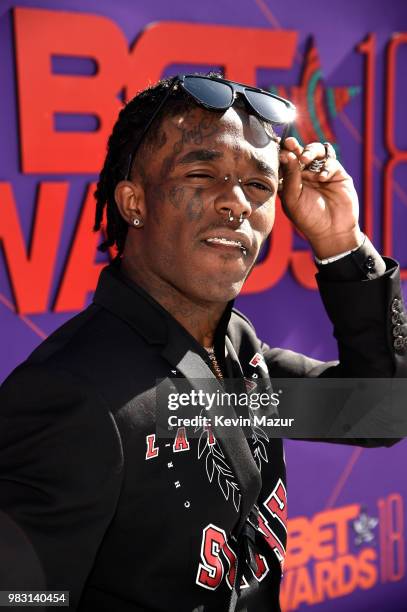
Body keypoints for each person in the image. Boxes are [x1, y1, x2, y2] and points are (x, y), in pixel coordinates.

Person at [0, 73, 406, 612]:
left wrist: (340, 242)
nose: (236, 202)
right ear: (132, 201)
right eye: (201, 173)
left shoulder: (237, 348)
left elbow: (379, 414)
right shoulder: (70, 393)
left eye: (258, 186)